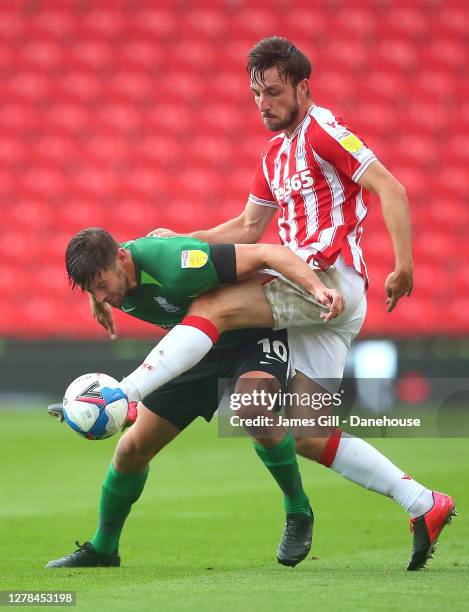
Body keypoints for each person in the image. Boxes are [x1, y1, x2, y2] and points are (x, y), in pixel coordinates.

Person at [149, 37, 456, 571]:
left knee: (217, 301)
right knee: (311, 435)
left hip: (326, 278)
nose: (263, 103)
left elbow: (392, 188)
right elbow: (245, 228)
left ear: (302, 88)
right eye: (255, 94)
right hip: (320, 307)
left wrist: (404, 265)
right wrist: (181, 240)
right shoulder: (272, 155)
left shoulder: (323, 130)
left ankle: (128, 393)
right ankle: (423, 502)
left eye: (272, 92)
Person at [46, 227, 345, 569]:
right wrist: (96, 301)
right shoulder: (111, 274)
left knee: (252, 410)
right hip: (195, 349)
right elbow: (100, 276)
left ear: (122, 259)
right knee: (131, 450)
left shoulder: (178, 264)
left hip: (249, 335)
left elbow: (268, 253)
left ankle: (298, 510)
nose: (101, 296)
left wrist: (319, 289)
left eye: (101, 287)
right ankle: (103, 548)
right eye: (91, 291)